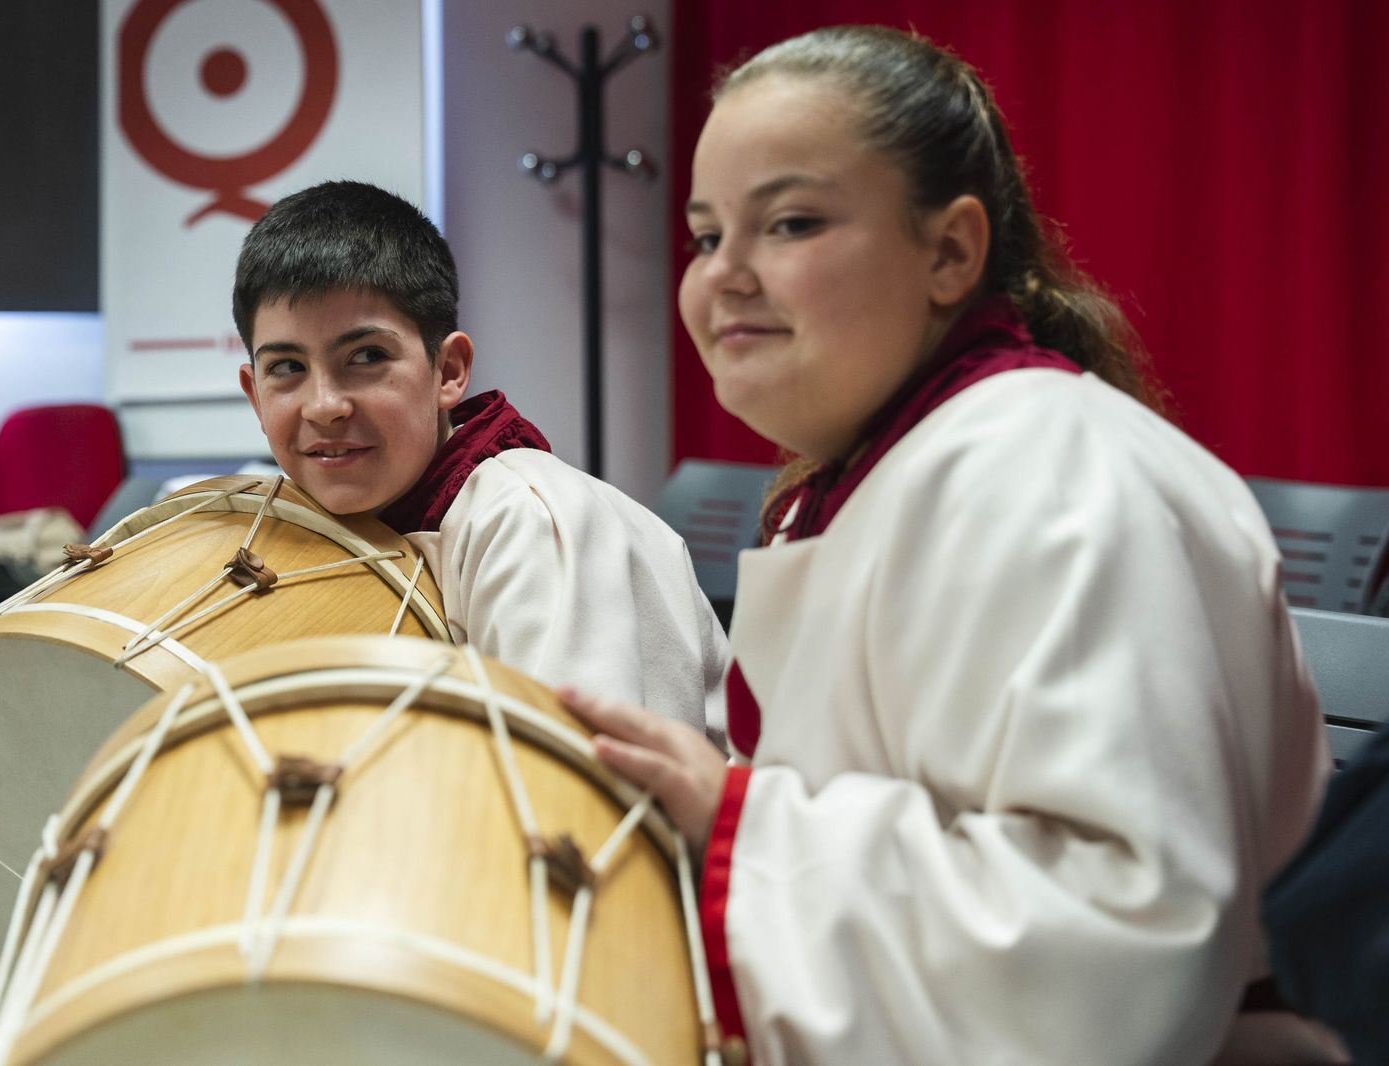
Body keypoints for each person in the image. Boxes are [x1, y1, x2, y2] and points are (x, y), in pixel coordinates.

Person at [558, 25, 1340, 1065]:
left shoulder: (1050, 473)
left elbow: (1112, 939)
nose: (724, 275)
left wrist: (734, 820)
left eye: (790, 223)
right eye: (706, 237)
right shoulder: (878, 473)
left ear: (950, 251)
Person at [233, 180, 726, 733]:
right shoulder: (282, 522)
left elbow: (572, 772)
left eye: (367, 356)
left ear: (448, 371)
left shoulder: (528, 521)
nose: (325, 406)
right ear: (255, 396)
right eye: (287, 368)